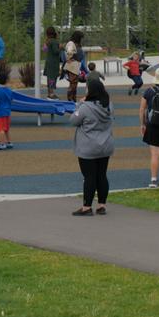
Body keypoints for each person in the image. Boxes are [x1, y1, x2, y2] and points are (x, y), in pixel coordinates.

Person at [70, 74, 115, 216]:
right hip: (105, 145)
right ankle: (101, 205)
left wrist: (80, 104)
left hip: (88, 146)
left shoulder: (85, 107)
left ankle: (87, 207)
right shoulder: (109, 106)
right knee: (102, 175)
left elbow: (73, 121)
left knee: (89, 176)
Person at [0, 73, 15, 150]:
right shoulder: (9, 90)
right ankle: (9, 142)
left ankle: (2, 144)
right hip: (7, 111)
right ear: (7, 80)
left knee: (0, 129)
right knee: (6, 129)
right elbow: (11, 100)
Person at [62, 29, 85, 103]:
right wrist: (71, 57)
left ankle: (73, 99)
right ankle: (70, 99)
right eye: (80, 38)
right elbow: (69, 52)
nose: (81, 40)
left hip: (75, 66)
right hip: (72, 66)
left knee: (74, 84)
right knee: (73, 83)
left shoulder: (75, 44)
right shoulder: (71, 43)